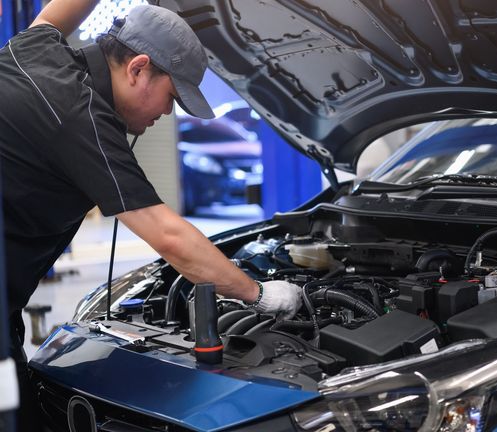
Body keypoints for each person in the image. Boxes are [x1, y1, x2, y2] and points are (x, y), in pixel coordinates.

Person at [0, 0, 302, 429]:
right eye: (172, 97)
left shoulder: (38, 46)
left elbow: (53, 14)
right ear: (138, 68)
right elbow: (169, 236)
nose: (167, 113)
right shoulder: (83, 118)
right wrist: (261, 294)